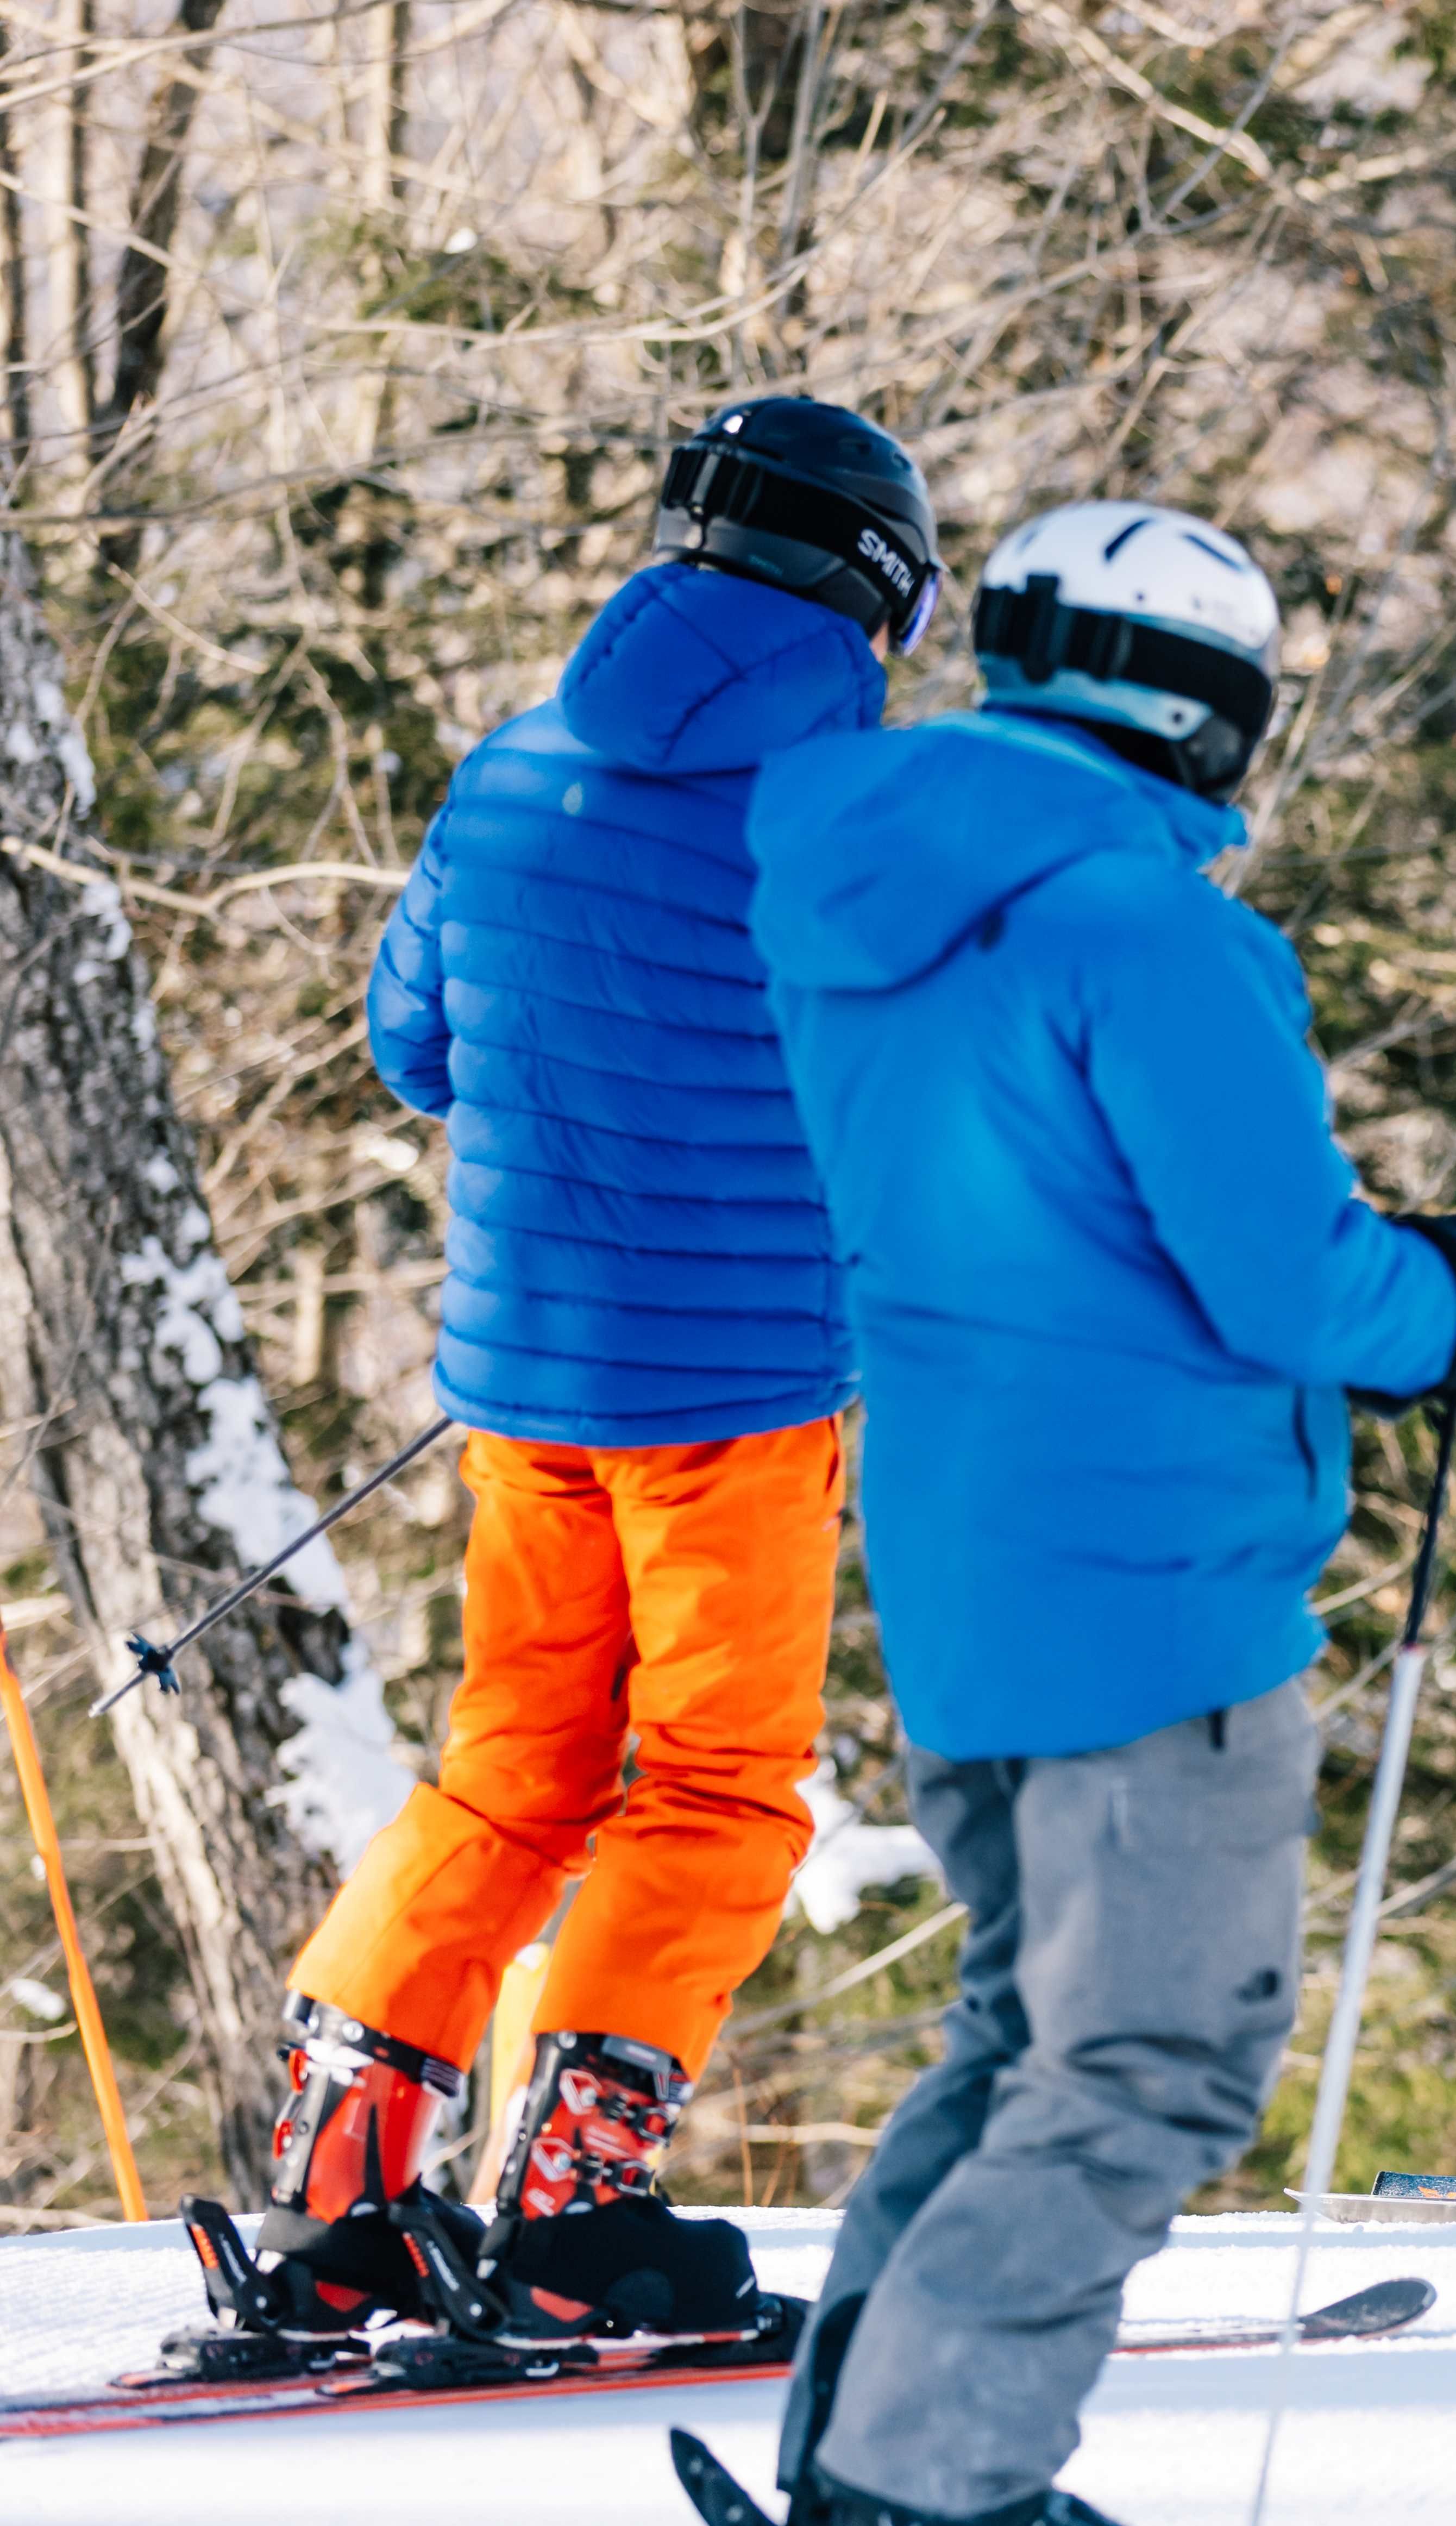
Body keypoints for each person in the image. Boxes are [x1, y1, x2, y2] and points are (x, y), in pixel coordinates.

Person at [740, 499, 1456, 2526]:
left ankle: (865, 2469)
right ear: (1204, 700)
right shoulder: (1142, 929)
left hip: (967, 1563)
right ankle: (936, 2497)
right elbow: (1287, 1277)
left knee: (1026, 2033)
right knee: (1150, 2060)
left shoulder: (863, 898)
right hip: (1155, 1580)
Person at [229, 400, 942, 2359]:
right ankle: (572, 2209)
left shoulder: (511, 770)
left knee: (512, 1774)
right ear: (877, 587)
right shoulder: (861, 819)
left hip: (528, 1391)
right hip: (736, 1403)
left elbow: (416, 1046)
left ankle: (339, 2195)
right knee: (715, 1784)